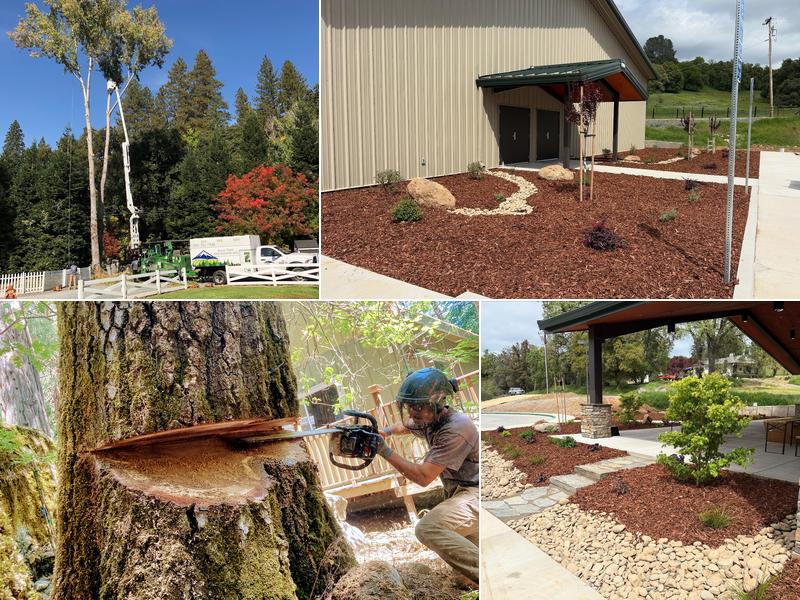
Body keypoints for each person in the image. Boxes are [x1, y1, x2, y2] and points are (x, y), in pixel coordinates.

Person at [373, 367, 479, 586]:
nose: (412, 414)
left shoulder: (456, 428)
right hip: (458, 494)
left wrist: (384, 450)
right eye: (410, 407)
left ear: (438, 403)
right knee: (465, 579)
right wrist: (385, 432)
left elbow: (423, 477)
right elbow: (405, 425)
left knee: (428, 528)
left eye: (418, 408)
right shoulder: (429, 419)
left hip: (477, 493)